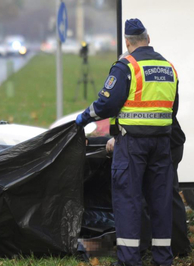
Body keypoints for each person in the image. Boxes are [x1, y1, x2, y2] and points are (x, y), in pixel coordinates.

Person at [76, 18, 179, 266]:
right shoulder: (169, 68)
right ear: (148, 39)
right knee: (160, 200)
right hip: (162, 144)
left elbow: (107, 104)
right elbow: (172, 110)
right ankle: (163, 259)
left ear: (127, 42)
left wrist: (83, 118)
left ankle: (130, 261)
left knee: (128, 201)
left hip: (132, 144)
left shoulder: (127, 67)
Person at [138, 118, 190, 259]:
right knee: (169, 194)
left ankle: (175, 247)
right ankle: (177, 247)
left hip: (165, 142)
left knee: (166, 195)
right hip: (171, 141)